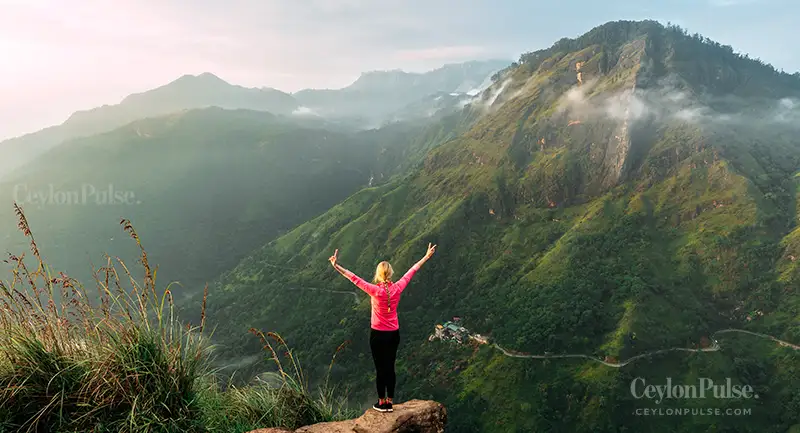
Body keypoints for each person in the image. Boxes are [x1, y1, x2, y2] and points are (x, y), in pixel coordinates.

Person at [328, 243, 437, 413]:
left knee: (380, 369)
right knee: (390, 367)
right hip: (393, 334)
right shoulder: (398, 288)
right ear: (391, 273)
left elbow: (354, 278)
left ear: (378, 275)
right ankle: (390, 402)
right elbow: (412, 271)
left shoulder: (374, 290)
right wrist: (426, 256)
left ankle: (381, 403)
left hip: (377, 335)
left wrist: (336, 266)